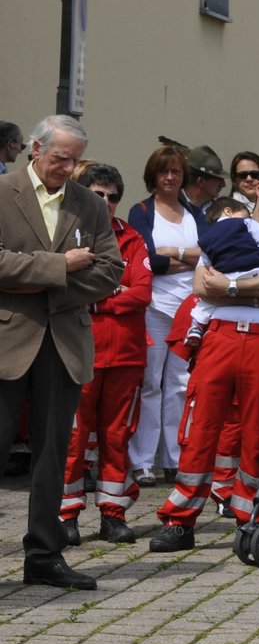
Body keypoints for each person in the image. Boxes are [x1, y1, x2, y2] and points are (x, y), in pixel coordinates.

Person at [149, 160, 259, 550]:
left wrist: (235, 288)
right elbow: (202, 287)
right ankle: (181, 520)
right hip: (219, 337)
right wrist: (258, 292)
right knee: (199, 426)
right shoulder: (226, 229)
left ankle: (249, 514)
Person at [0, 116, 123, 589]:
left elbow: (110, 271)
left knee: (53, 455)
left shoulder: (89, 204)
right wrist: (61, 266)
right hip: (9, 339)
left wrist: (39, 283)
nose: (68, 168)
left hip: (64, 342)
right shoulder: (4, 191)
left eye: (75, 160)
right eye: (60, 158)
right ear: (35, 149)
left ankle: (44, 555)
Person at [59, 163, 150, 546]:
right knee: (74, 438)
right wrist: (114, 295)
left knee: (118, 436)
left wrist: (98, 300)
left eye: (113, 197)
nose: (108, 203)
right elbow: (67, 285)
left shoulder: (131, 238)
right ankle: (66, 515)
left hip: (127, 357)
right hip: (79, 352)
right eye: (99, 195)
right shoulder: (68, 236)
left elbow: (142, 292)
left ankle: (113, 514)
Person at [125, 145, 201, 487]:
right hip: (154, 308)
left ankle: (174, 458)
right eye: (163, 171)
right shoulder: (141, 211)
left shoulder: (193, 214)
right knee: (150, 384)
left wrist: (171, 253)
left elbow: (209, 256)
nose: (169, 178)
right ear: (152, 175)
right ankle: (141, 461)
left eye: (175, 172)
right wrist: (186, 259)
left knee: (180, 387)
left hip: (189, 310)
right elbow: (146, 260)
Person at [184, 199, 259, 350]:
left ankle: (196, 327)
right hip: (256, 272)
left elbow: (206, 261)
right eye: (246, 214)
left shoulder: (206, 237)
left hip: (226, 275)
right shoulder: (247, 223)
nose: (248, 217)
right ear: (228, 211)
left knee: (205, 303)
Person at [180, 145, 228, 219]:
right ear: (201, 181)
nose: (223, 184)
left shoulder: (220, 212)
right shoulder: (170, 206)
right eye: (218, 179)